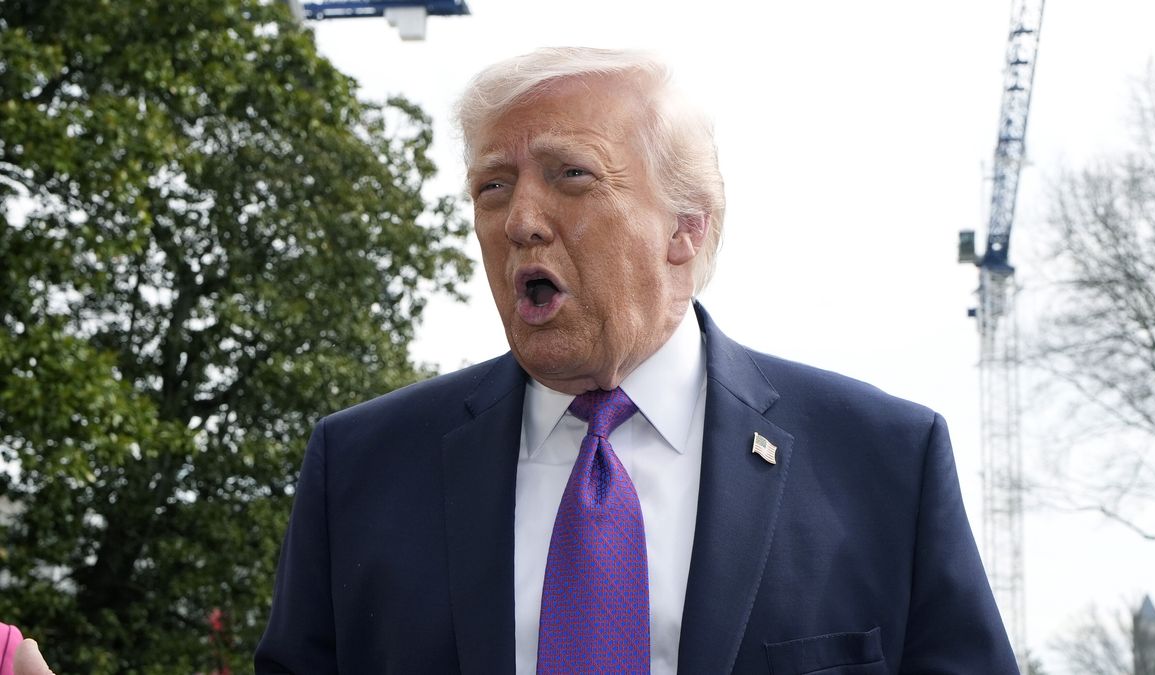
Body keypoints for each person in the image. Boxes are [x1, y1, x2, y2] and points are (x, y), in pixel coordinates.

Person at [248, 47, 1021, 674]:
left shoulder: (884, 460)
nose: (519, 220)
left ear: (685, 227)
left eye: (570, 175)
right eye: (492, 185)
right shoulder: (360, 469)